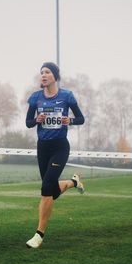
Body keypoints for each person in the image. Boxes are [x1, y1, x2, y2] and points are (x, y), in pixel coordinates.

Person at [25, 62, 85, 249]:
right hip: (43, 148)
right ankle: (73, 182)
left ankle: (39, 235)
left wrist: (70, 120)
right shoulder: (35, 98)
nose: (43, 75)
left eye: (47, 72)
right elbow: (28, 122)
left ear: (55, 76)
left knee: (46, 188)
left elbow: (81, 118)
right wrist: (37, 120)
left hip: (60, 147)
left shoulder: (66, 96)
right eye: (41, 72)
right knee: (51, 190)